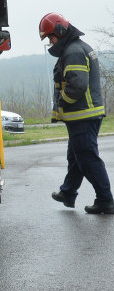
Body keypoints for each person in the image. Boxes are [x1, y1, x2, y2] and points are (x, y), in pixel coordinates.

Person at [39, 12, 114, 214]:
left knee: (87, 158)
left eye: (50, 36)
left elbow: (77, 85)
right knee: (76, 157)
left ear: (61, 31)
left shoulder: (73, 52)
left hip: (83, 115)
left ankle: (105, 200)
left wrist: (62, 103)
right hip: (83, 116)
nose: (50, 41)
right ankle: (68, 192)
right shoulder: (77, 48)